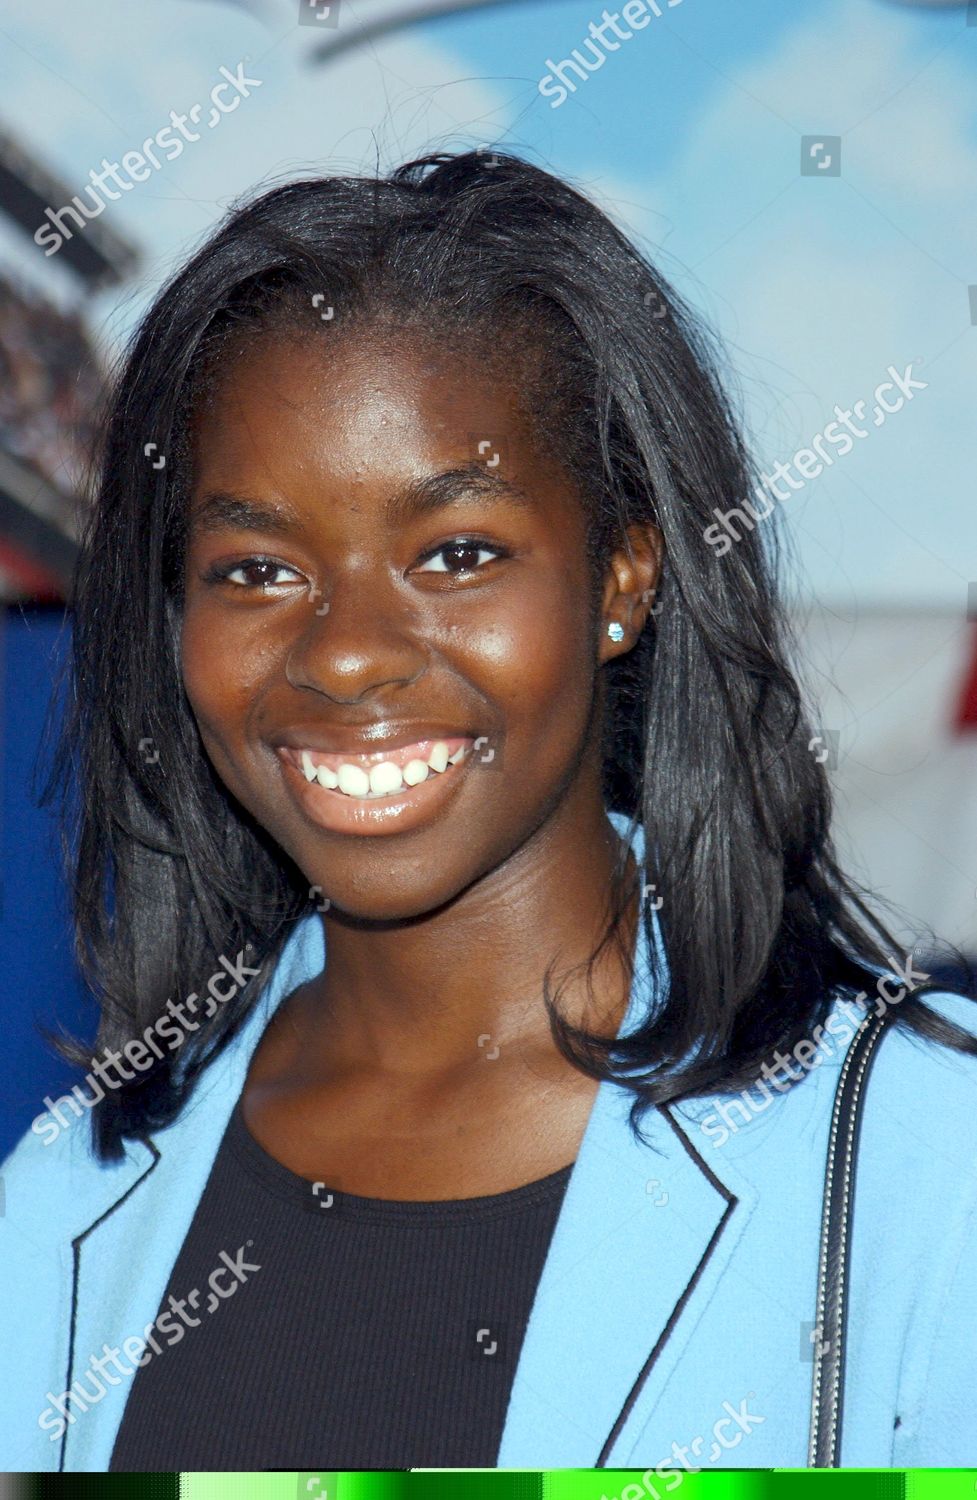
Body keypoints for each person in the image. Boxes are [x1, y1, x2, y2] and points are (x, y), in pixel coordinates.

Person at [2, 148, 976, 1474]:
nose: (345, 653)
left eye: (455, 554)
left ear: (622, 576)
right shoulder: (62, 1205)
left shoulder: (928, 1161)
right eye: (257, 567)